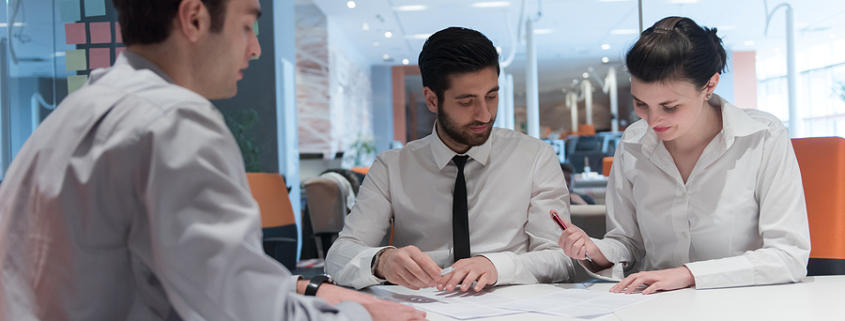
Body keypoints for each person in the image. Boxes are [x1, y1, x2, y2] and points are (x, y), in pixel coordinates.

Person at [0, 0, 426, 320]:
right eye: (247, 26)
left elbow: (182, 270)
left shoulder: (76, 113)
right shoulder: (174, 122)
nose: (256, 48)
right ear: (195, 18)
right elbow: (245, 313)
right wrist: (364, 315)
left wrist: (308, 289)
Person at [556, 16, 811, 295]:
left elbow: (788, 256)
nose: (652, 121)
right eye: (641, 104)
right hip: (656, 304)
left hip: (745, 299)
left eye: (670, 106)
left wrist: (688, 275)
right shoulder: (633, 144)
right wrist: (596, 250)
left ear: (709, 86)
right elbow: (628, 244)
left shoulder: (763, 137)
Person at [325, 27, 574, 292]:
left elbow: (560, 260)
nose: (485, 114)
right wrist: (381, 261)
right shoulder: (392, 167)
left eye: (491, 96)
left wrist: (495, 265)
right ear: (432, 100)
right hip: (423, 308)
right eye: (467, 102)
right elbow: (338, 255)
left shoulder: (535, 157)